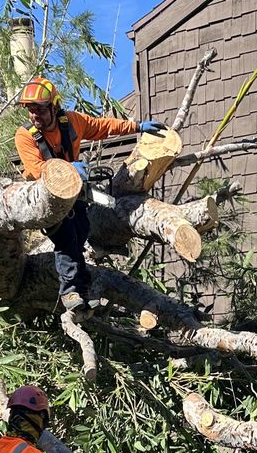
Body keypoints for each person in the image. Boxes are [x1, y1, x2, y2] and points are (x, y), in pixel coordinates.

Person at [14, 76, 166, 312]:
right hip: (44, 196)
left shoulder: (72, 121)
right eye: (31, 110)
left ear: (54, 107)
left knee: (81, 231)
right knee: (66, 239)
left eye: (40, 110)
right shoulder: (25, 136)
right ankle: (70, 293)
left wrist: (136, 127)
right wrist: (67, 169)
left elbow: (102, 126)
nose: (35, 116)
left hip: (73, 192)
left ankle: (82, 291)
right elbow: (36, 170)